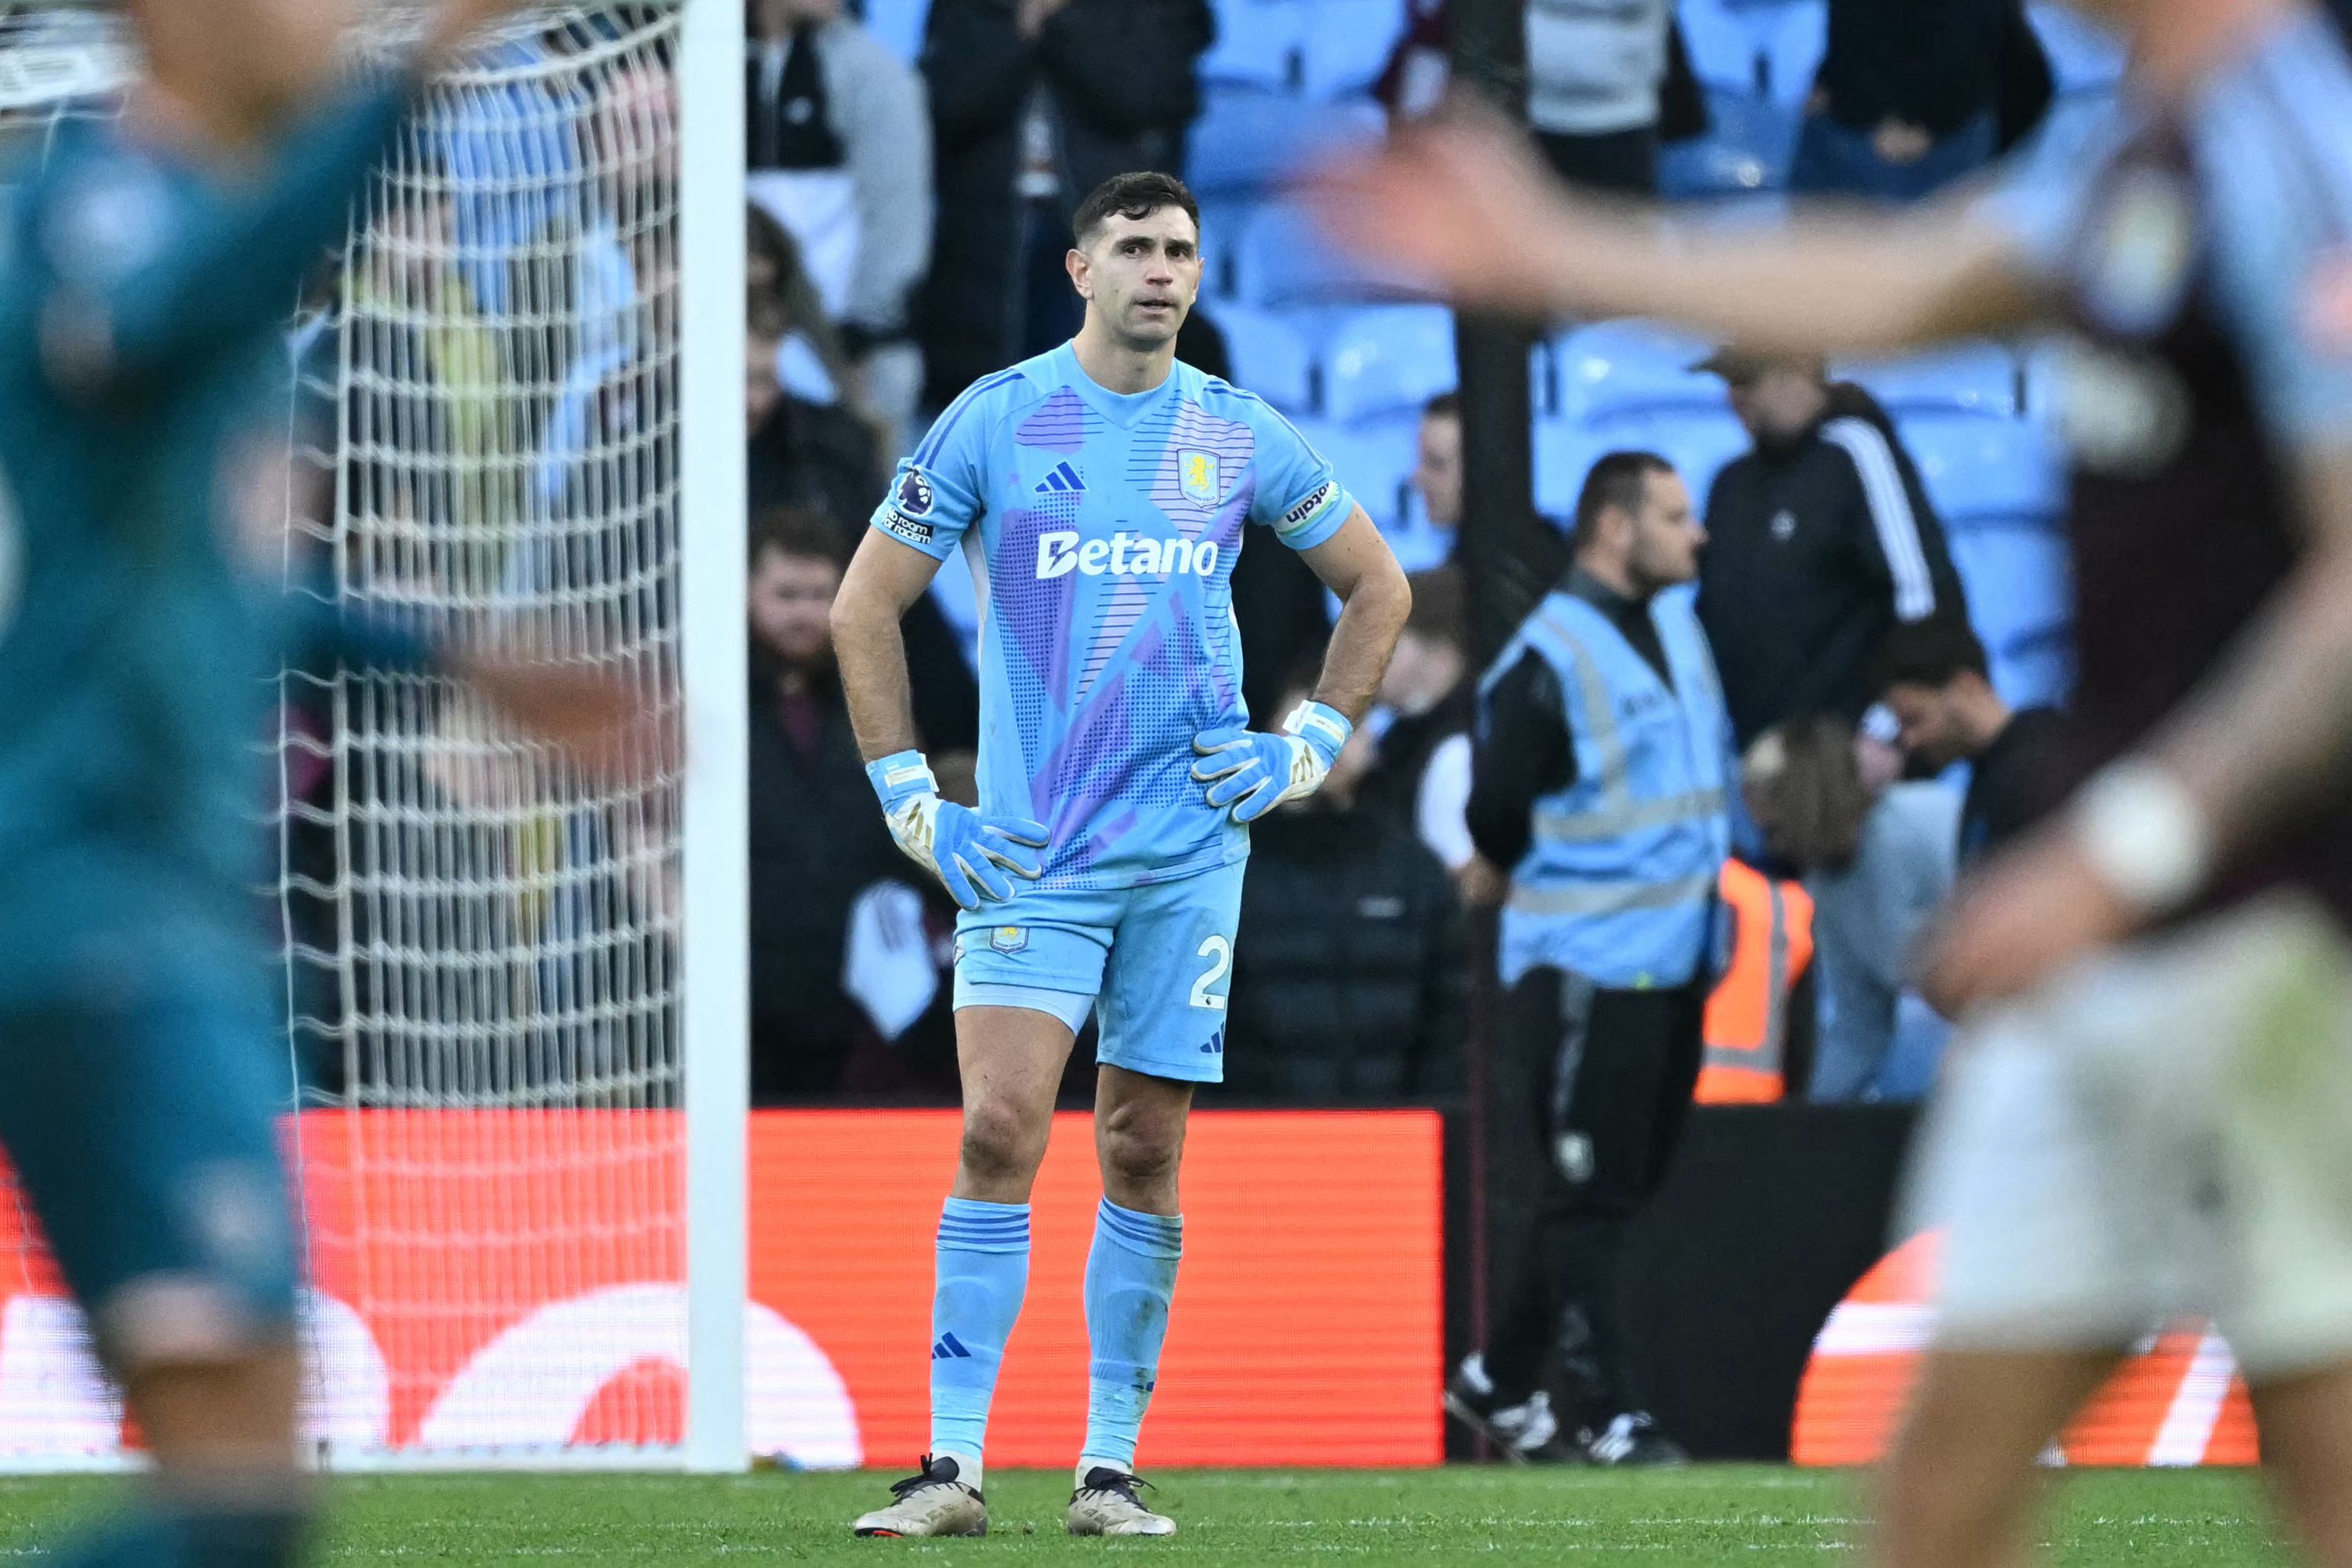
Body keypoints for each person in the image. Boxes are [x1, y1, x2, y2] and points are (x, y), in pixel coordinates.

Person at [1320, 1, 2352, 1560]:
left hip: (2273, 935)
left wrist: (2132, 842)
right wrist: (1557, 250)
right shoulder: (2143, 137)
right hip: (2117, 943)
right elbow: (1919, 272)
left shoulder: (2300, 136)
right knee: (1931, 1504)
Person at [0, 2, 651, 1565]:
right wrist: (398, 104)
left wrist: (451, 657)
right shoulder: (96, 210)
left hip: (165, 907)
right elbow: (148, 328)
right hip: (86, 899)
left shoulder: (201, 250)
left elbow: (216, 594)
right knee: (239, 1502)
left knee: (240, 1492)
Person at [829, 171, 1409, 1538]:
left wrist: (1307, 744)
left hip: (1189, 850)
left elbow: (1380, 588)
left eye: (1183, 251)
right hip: (1035, 848)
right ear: (1080, 269)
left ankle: (1105, 1469)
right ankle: (952, 1468)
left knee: (1142, 1146)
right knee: (996, 1125)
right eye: (1135, 248)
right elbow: (864, 608)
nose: (1163, 270)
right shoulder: (998, 416)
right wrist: (915, 799)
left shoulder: (1236, 428)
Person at [1451, 451, 1727, 1466]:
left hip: (1671, 955)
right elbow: (1493, 807)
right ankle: (1608, 1412)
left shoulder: (1679, 626)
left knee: (1618, 1183)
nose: (1694, 534)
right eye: (1674, 514)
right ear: (1615, 529)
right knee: (1590, 1189)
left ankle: (1497, 1377)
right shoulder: (1548, 656)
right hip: (1585, 963)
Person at [748, 509, 966, 1102]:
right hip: (739, 997)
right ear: (745, 591)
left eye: (821, 594)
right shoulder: (713, 705)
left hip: (852, 1015)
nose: (803, 613)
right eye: (786, 594)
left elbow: (909, 830)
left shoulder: (875, 705)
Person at [914, 0, 1213, 408]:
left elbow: (1147, 92)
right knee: (995, 419)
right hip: (982, 244)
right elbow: (943, 105)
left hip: (1113, 232)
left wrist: (1059, 20)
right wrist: (1019, 30)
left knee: (1107, 413)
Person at [1688, 349, 1969, 749]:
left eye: (1748, 377)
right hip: (1762, 761)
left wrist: (1886, 730)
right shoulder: (1729, 484)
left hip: (1849, 759)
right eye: (1727, 382)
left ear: (1802, 367)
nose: (1734, 396)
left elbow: (1923, 594)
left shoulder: (1854, 451)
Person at [1223, 671, 1466, 1103]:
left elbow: (1452, 1018)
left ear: (1371, 740)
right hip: (1255, 1143)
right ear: (1267, 735)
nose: (1322, 746)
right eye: (1301, 724)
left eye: (1341, 724)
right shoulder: (1228, 872)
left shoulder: (1414, 875)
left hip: (1396, 1142)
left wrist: (1436, 1113)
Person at [745, 0, 932, 455]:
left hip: (850, 356)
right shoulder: (702, 62)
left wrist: (859, 338)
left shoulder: (874, 75)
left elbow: (897, 220)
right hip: (744, 345)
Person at [1743, 717, 1959, 1102]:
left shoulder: (1922, 824)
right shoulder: (1825, 890)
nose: (1770, 848)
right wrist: (1801, 1120)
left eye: (1773, 830)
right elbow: (1859, 1030)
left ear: (1805, 807)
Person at [1872, 612, 2071, 866]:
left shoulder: (2048, 762)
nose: (1910, 741)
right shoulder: (1983, 783)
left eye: (1914, 719)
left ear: (1967, 686)